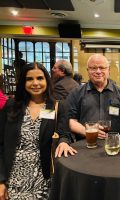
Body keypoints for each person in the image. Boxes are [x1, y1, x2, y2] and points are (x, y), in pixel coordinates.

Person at [0, 62, 77, 200]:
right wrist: (1, 181)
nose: (35, 83)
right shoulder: (11, 106)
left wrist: (64, 142)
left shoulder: (57, 106)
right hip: (13, 178)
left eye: (40, 78)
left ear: (47, 80)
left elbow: (64, 133)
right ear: (23, 82)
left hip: (44, 178)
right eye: (29, 79)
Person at [66, 54, 120, 141]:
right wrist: (87, 131)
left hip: (115, 144)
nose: (98, 71)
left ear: (109, 70)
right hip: (86, 145)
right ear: (88, 70)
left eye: (102, 68)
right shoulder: (76, 93)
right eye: (93, 68)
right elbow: (70, 120)